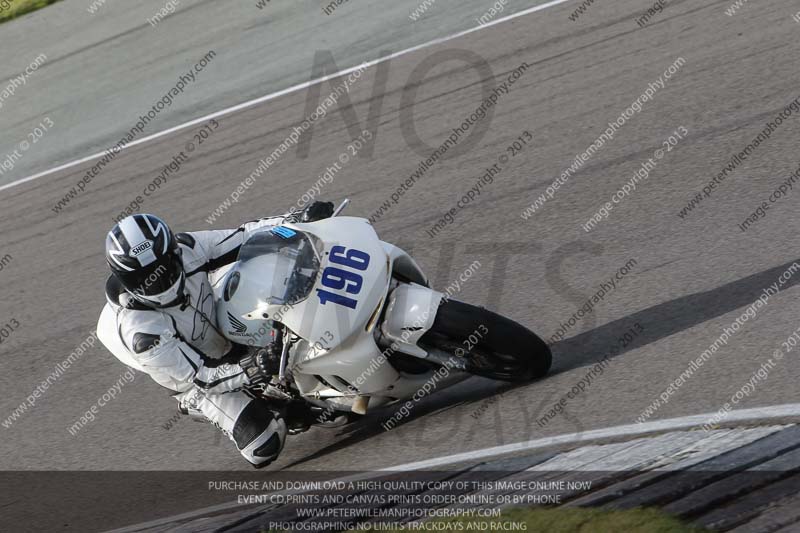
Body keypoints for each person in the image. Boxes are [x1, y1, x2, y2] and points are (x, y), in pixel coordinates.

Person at [102, 202, 334, 468]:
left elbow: (247, 235)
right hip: (197, 380)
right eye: (146, 279)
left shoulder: (187, 247)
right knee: (263, 446)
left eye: (164, 268)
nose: (159, 281)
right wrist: (252, 368)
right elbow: (204, 377)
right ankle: (264, 403)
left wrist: (297, 219)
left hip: (222, 325)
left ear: (173, 253)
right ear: (126, 280)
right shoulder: (142, 332)